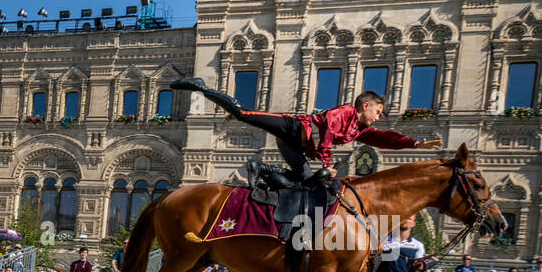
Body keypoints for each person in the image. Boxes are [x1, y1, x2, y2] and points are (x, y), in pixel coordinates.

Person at [170, 81, 442, 185]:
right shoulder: (346, 112)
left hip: (295, 146)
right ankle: (202, 88)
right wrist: (326, 164)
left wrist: (416, 144)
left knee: (305, 178)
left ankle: (262, 169)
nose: (379, 117)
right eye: (378, 111)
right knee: (244, 114)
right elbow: (326, 134)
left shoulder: (359, 129)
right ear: (366, 105)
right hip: (293, 127)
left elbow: (385, 139)